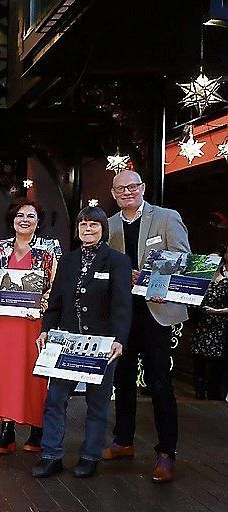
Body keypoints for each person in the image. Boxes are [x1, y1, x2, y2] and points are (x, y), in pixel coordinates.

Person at [31, 207, 131, 479]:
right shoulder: (68, 261)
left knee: (97, 403)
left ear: (103, 229)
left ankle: (90, 456)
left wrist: (119, 340)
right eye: (83, 224)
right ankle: (51, 455)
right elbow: (56, 302)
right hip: (67, 342)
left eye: (94, 225)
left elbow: (123, 305)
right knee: (55, 400)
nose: (88, 229)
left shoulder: (118, 261)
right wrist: (46, 330)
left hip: (102, 345)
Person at [104, 170, 190, 483]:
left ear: (142, 188)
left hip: (157, 312)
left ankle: (166, 452)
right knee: (122, 380)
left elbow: (183, 257)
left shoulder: (167, 217)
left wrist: (149, 275)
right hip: (123, 315)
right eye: (120, 188)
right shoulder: (109, 225)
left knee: (160, 383)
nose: (127, 192)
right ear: (113, 193)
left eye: (132, 186)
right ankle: (123, 441)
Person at [0, 198, 62, 453]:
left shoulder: (49, 251)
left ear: (38, 221)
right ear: (12, 220)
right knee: (5, 373)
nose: (24, 220)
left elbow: (55, 287)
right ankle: (7, 430)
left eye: (30, 216)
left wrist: (42, 308)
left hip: (33, 322)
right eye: (19, 216)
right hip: (3, 323)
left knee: (34, 373)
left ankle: (37, 429)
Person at [190, 242, 228, 400]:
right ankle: (199, 389)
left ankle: (215, 392)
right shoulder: (215, 268)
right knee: (199, 356)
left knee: (217, 359)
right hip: (203, 319)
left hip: (221, 323)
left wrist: (217, 311)